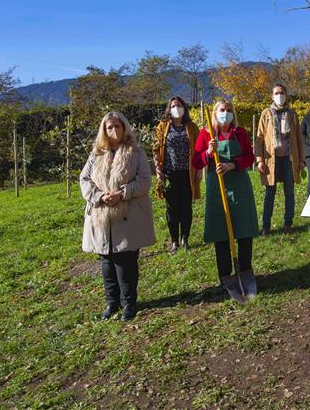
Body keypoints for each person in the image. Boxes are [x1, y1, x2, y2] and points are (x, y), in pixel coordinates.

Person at [80, 111, 156, 321]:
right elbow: (84, 180)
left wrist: (122, 193)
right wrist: (99, 196)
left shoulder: (136, 152)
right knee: (106, 262)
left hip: (128, 215)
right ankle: (111, 302)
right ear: (103, 130)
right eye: (109, 127)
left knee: (126, 262)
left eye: (117, 126)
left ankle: (129, 303)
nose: (113, 130)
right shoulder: (96, 154)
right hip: (102, 216)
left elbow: (143, 180)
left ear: (124, 128)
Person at [192, 100, 259, 286]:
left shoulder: (240, 133)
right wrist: (208, 152)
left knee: (244, 229)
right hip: (217, 188)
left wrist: (233, 164)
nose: (226, 113)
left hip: (239, 185)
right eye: (222, 110)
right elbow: (196, 161)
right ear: (215, 113)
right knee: (221, 230)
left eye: (229, 110)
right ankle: (225, 275)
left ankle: (245, 270)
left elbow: (250, 156)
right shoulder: (207, 134)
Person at [152, 96, 201, 253]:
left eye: (179, 105)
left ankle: (184, 238)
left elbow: (199, 150)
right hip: (169, 173)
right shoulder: (162, 127)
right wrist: (159, 171)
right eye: (173, 106)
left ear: (184, 108)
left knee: (186, 207)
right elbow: (156, 150)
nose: (176, 108)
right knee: (172, 209)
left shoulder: (192, 127)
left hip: (188, 173)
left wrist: (199, 170)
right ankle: (174, 241)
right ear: (169, 109)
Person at [255, 84, 305, 235]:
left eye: (282, 92)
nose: (279, 95)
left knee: (289, 192)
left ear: (286, 95)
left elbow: (298, 138)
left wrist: (301, 160)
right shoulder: (266, 114)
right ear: (272, 96)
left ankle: (288, 224)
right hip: (271, 160)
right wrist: (259, 160)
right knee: (270, 193)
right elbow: (259, 139)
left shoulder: (292, 114)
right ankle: (266, 226)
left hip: (289, 160)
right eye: (276, 93)